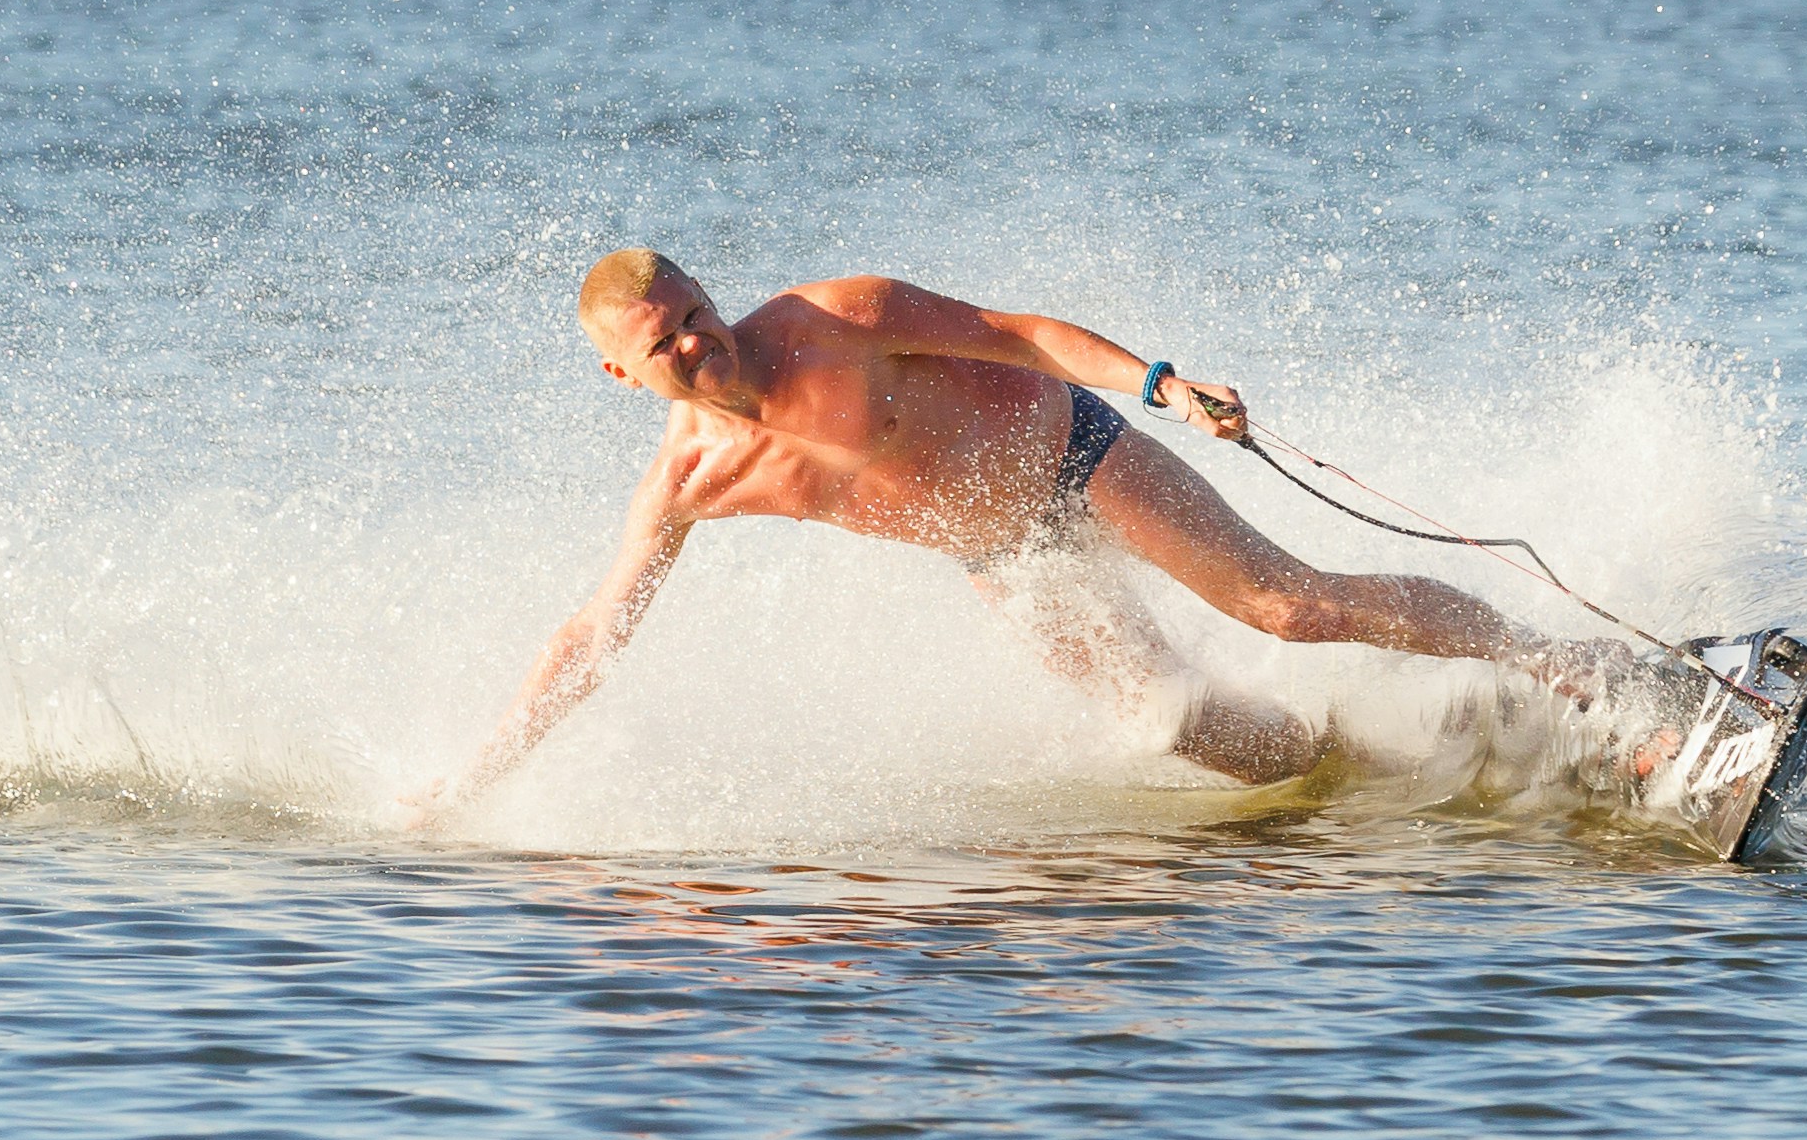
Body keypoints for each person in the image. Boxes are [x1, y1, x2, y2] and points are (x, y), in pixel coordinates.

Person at [405, 250, 1641, 816]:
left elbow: (1025, 334)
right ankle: (1444, 754)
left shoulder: (836, 317)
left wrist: (1164, 382)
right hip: (1002, 555)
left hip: (1075, 458)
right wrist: (468, 783)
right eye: (661, 341)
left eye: (690, 309)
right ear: (626, 376)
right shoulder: (688, 481)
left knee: (1284, 605)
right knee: (1183, 729)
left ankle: (1587, 672)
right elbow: (591, 633)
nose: (692, 338)